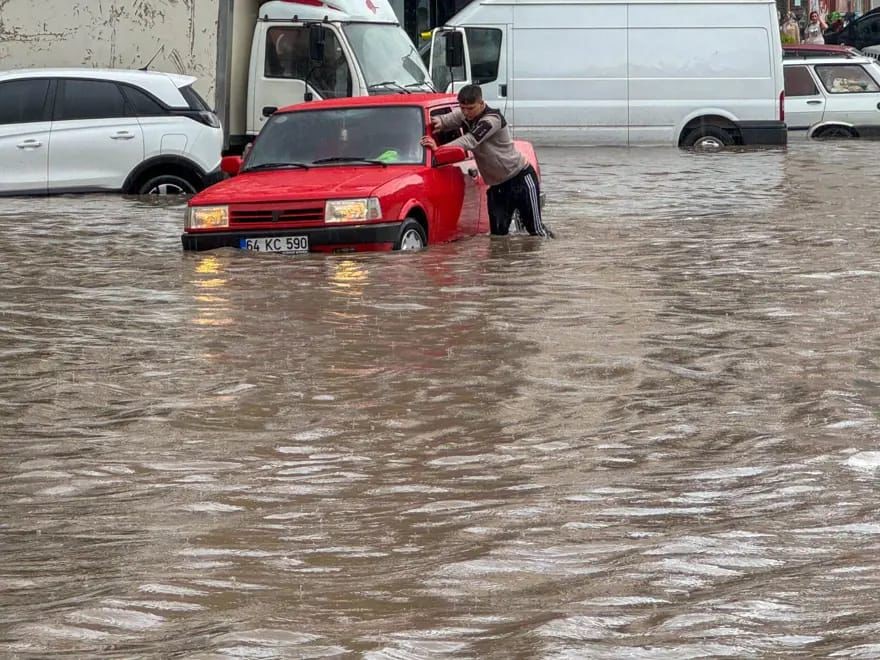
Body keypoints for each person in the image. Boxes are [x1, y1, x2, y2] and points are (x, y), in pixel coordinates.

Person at [419, 84, 550, 237]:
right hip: (497, 186)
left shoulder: (492, 120)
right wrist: (436, 124)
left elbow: (471, 140)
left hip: (520, 178)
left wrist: (439, 149)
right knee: (497, 237)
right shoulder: (464, 115)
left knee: (536, 232)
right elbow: (443, 120)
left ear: (481, 103)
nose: (466, 112)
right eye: (462, 108)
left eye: (470, 108)